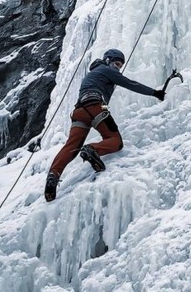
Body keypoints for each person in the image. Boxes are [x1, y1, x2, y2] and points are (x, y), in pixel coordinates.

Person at [44, 48, 165, 202]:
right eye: (116, 63)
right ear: (108, 60)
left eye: (120, 65)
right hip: (95, 106)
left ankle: (54, 174)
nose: (118, 67)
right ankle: (92, 149)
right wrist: (154, 93)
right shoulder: (106, 69)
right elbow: (129, 83)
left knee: (71, 147)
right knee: (115, 141)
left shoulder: (93, 73)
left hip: (79, 111)